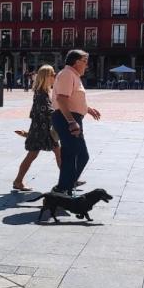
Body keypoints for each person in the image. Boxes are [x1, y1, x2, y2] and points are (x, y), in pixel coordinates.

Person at [51, 50, 101, 194]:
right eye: (85, 61)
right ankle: (63, 188)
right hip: (66, 118)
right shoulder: (67, 74)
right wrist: (72, 121)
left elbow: (72, 98)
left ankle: (63, 188)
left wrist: (87, 109)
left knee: (72, 154)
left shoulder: (73, 75)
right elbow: (61, 99)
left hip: (70, 117)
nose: (87, 65)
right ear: (77, 62)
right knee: (80, 154)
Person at [13, 65, 61, 190]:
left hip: (42, 130)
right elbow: (47, 112)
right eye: (52, 74)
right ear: (46, 77)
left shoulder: (42, 92)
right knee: (32, 155)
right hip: (41, 131)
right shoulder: (41, 94)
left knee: (57, 153)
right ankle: (18, 181)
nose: (54, 77)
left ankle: (69, 180)